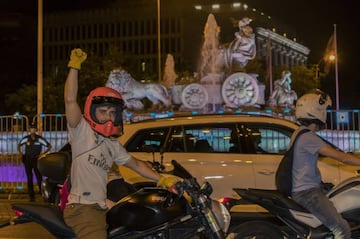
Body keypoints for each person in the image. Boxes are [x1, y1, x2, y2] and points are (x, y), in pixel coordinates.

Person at [63, 48, 178, 239]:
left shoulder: (112, 145)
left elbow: (136, 164)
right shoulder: (82, 133)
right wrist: (74, 67)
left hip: (102, 204)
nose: (108, 116)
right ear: (92, 111)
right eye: (103, 111)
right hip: (83, 209)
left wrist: (162, 179)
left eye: (112, 112)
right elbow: (69, 100)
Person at [292, 89, 360, 239]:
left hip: (309, 190)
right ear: (315, 111)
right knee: (342, 229)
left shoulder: (299, 133)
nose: (326, 113)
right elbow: (341, 157)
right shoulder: (309, 137)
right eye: (324, 110)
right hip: (308, 193)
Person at [18, 122, 52, 201]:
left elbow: (49, 146)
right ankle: (31, 196)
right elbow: (19, 145)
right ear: (29, 130)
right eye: (31, 128)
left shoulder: (39, 139)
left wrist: (42, 154)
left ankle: (41, 193)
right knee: (29, 178)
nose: (32, 130)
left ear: (36, 129)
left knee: (39, 177)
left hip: (36, 159)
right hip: (28, 159)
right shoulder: (26, 138)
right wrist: (21, 154)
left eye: (34, 128)